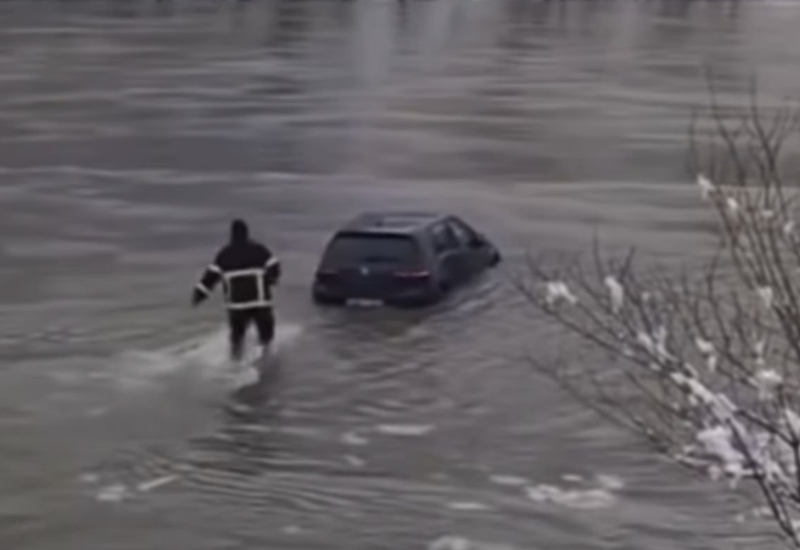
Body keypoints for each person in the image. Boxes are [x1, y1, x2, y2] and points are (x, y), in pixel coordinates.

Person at [191, 219, 281, 362]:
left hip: (237, 306)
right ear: (247, 233)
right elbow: (274, 266)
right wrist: (271, 280)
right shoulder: (259, 250)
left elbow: (210, 278)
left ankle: (235, 365)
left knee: (237, 337)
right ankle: (266, 364)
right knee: (266, 336)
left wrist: (198, 296)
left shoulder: (225, 254)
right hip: (260, 302)